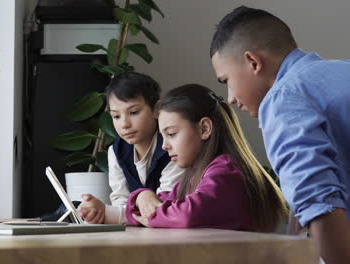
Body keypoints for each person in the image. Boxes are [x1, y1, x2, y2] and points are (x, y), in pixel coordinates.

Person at [210, 6, 350, 263]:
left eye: (226, 80)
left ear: (253, 61)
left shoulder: (283, 99)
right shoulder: (341, 71)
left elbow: (319, 206)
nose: (229, 98)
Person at [126, 84, 288, 232]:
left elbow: (188, 214)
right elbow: (159, 203)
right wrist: (142, 196)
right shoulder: (195, 177)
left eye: (171, 134)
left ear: (204, 128)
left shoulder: (226, 171)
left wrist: (151, 216)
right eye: (163, 137)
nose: (164, 146)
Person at [77, 72, 186, 224]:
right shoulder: (116, 152)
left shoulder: (172, 147)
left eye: (134, 112)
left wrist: (113, 211)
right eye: (116, 116)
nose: (124, 124)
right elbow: (120, 202)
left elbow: (162, 208)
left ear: (157, 109)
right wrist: (100, 211)